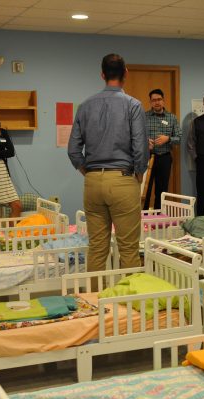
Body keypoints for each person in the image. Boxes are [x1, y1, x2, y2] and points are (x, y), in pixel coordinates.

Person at [68, 53, 148, 271]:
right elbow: (140, 146)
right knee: (128, 248)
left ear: (102, 75)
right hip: (122, 179)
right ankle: (128, 304)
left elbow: (73, 150)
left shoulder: (84, 106)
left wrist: (89, 172)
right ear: (126, 74)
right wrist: (139, 173)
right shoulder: (133, 105)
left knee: (96, 247)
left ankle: (93, 302)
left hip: (92, 182)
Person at [144, 88, 181, 210]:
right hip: (146, 158)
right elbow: (135, 136)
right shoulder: (144, 116)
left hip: (164, 158)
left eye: (159, 99)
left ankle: (158, 219)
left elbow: (179, 138)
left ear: (163, 101)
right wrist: (145, 142)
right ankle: (142, 219)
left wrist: (168, 139)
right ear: (150, 102)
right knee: (145, 189)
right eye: (153, 100)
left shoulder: (172, 118)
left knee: (161, 190)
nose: (157, 102)